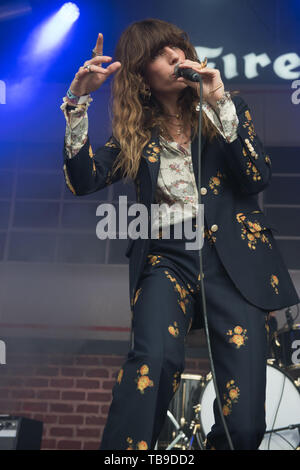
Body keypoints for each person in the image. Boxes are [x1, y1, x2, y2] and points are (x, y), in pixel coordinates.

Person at [60, 19, 300, 450]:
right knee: (150, 365)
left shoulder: (227, 110)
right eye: (159, 52)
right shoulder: (136, 136)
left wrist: (218, 99)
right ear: (141, 76)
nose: (174, 56)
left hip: (235, 261)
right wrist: (78, 99)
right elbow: (82, 179)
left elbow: (257, 176)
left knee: (244, 425)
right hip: (167, 257)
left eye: (177, 48)